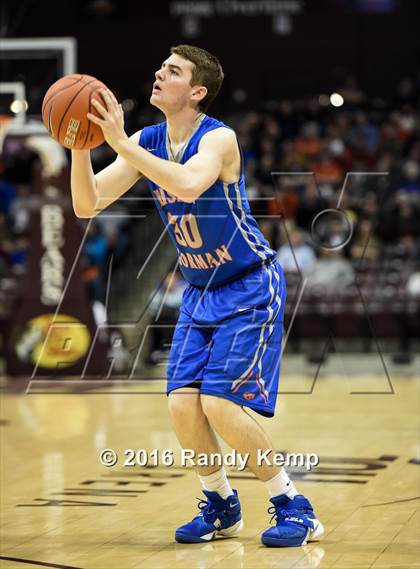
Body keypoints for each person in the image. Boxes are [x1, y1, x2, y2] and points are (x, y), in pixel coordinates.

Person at [70, 44, 323, 547]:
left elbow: (187, 185)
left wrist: (120, 142)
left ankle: (294, 506)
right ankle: (221, 506)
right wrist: (80, 144)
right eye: (162, 67)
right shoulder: (148, 139)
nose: (159, 74)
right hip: (200, 289)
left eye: (173, 70)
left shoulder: (219, 138)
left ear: (197, 91)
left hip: (250, 284)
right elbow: (86, 203)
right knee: (183, 405)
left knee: (221, 404)